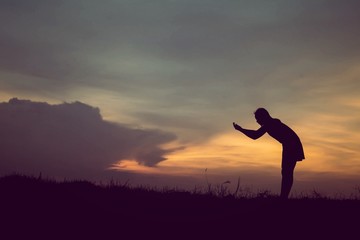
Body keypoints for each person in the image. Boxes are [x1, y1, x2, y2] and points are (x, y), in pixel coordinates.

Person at [233, 108, 305, 199]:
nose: (257, 121)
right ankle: (283, 197)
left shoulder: (269, 124)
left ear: (263, 116)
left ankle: (283, 198)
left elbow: (255, 135)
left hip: (291, 144)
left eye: (258, 118)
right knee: (286, 172)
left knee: (287, 171)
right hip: (290, 144)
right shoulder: (271, 123)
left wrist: (241, 129)